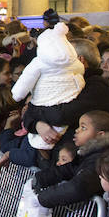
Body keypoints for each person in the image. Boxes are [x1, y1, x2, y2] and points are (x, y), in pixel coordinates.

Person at [9, 23, 85, 152]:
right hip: (67, 99)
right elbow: (81, 71)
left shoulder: (38, 63)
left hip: (44, 104)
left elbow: (20, 90)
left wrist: (20, 99)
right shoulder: (74, 63)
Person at [31, 111, 109, 209]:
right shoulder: (92, 152)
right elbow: (69, 168)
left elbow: (78, 187)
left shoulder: (106, 158)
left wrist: (41, 199)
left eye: (83, 128)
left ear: (100, 135)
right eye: (79, 126)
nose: (77, 130)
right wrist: (39, 179)